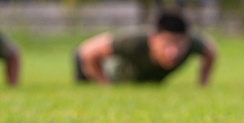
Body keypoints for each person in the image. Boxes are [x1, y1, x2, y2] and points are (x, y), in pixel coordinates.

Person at [74, 11, 217, 86]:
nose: (173, 51)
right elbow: (86, 52)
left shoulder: (193, 43)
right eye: (167, 43)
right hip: (96, 70)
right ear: (153, 39)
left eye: (179, 44)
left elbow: (211, 51)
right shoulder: (134, 41)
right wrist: (105, 85)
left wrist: (202, 83)